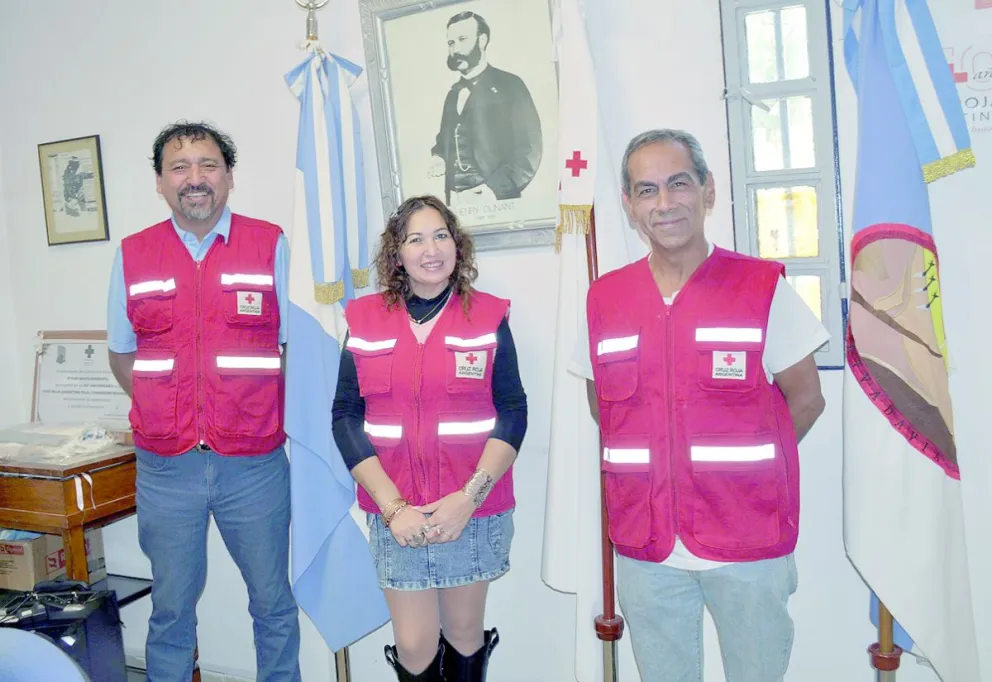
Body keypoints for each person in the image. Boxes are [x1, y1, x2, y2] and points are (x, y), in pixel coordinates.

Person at [573, 129, 828, 682]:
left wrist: (741, 475)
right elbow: (605, 409)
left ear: (708, 191)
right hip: (647, 547)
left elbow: (806, 401)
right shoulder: (604, 300)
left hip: (747, 539)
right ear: (628, 205)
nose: (664, 203)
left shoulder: (761, 287)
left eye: (678, 184)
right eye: (646, 190)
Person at [106, 121, 301, 682]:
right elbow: (125, 357)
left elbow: (291, 348)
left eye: (208, 165)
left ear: (230, 177)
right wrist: (171, 412)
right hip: (167, 468)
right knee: (170, 613)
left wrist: (246, 412)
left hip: (255, 466)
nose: (196, 178)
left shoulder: (270, 244)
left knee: (272, 604)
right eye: (180, 167)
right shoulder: (133, 255)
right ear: (161, 183)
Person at [332, 195, 527, 681]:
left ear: (457, 245)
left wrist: (467, 500)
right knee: (415, 644)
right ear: (396, 254)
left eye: (440, 234)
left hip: (471, 508)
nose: (431, 248)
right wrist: (394, 509)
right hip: (397, 511)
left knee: (464, 633)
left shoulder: (488, 316)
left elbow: (513, 412)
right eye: (415, 239)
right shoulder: (364, 320)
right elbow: (345, 418)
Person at [428, 11, 543, 206]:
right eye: (451, 43)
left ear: (482, 40)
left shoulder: (511, 85)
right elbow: (445, 140)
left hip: (497, 201)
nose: (455, 50)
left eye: (462, 39)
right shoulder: (453, 94)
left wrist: (494, 190)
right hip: (454, 204)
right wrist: (439, 157)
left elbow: (529, 150)